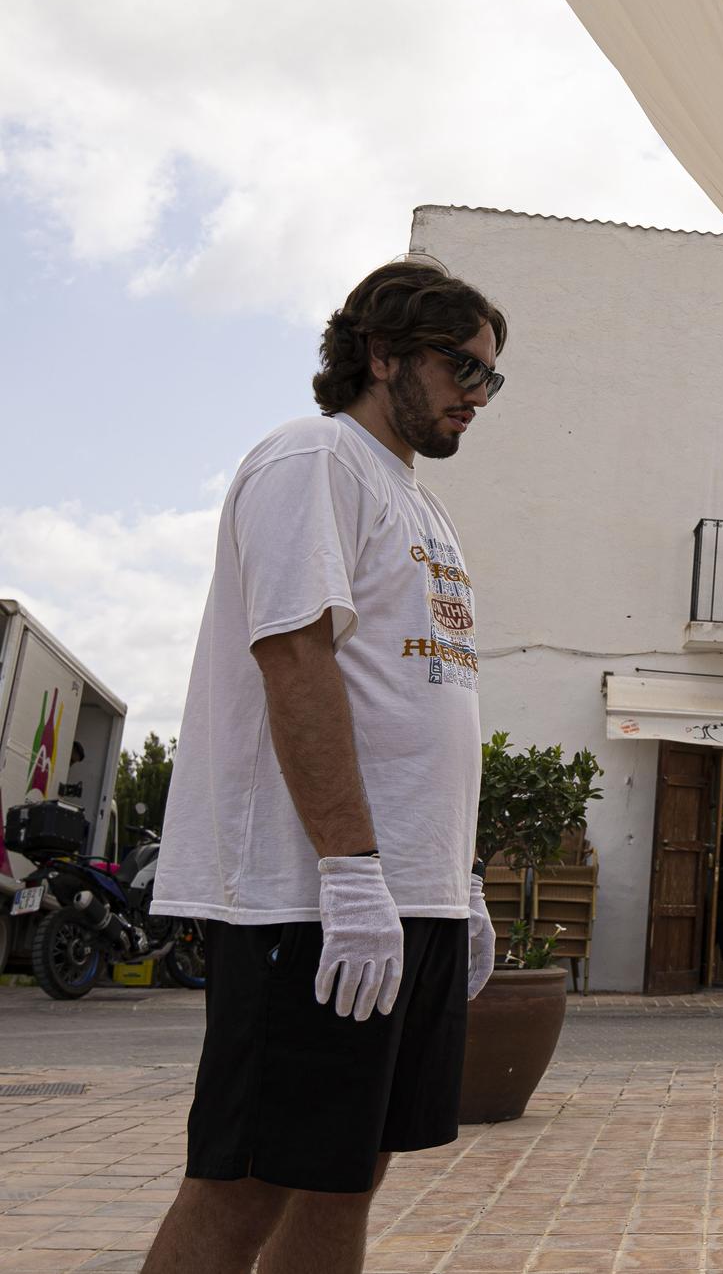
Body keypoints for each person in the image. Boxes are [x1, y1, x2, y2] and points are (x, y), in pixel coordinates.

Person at [144, 259, 508, 1274]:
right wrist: (350, 871)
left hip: (405, 897)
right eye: (459, 368)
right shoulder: (313, 460)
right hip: (307, 897)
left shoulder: (418, 502)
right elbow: (294, 660)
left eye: (490, 379)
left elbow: (413, 702)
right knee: (245, 1179)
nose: (475, 397)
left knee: (352, 1166)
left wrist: (454, 883)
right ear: (380, 353)